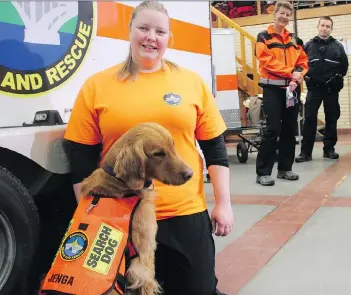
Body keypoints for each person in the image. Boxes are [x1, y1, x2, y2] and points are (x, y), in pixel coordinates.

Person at [62, 1, 233, 294]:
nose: (151, 37)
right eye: (143, 28)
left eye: (160, 31)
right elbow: (79, 153)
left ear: (169, 39)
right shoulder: (97, 86)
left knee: (198, 289)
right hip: (120, 214)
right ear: (129, 32)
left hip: (184, 212)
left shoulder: (191, 83)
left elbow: (214, 148)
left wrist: (224, 204)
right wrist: (88, 212)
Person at [254, 1, 308, 186]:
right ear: (274, 14)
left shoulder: (295, 39)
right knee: (273, 129)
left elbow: (303, 60)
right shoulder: (263, 37)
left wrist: (297, 76)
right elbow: (266, 60)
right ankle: (263, 172)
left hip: (292, 89)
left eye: (287, 14)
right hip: (272, 89)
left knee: (289, 129)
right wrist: (289, 72)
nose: (284, 17)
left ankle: (285, 169)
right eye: (281, 13)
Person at [295, 16, 348, 163]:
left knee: (332, 118)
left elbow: (344, 66)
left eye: (328, 26)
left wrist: (337, 78)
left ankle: (329, 150)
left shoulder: (338, 46)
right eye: (322, 25)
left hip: (331, 89)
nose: (324, 28)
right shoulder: (308, 46)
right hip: (314, 88)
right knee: (309, 120)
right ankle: (305, 153)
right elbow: (301, 65)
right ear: (318, 27)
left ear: (331, 29)